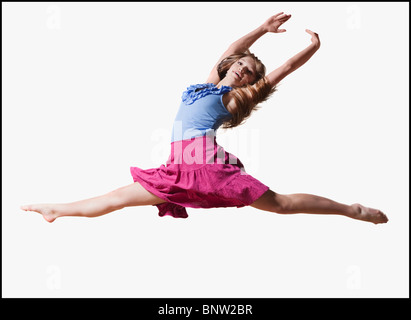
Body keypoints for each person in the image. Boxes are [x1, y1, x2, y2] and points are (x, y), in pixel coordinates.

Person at [21, 12, 388, 224]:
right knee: (117, 197)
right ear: (231, 65)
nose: (243, 71)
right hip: (177, 166)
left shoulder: (232, 99)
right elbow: (232, 49)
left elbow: (284, 69)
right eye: (242, 65)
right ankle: (56, 210)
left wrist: (312, 47)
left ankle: (351, 210)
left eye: (250, 72)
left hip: (204, 164)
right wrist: (262, 28)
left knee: (280, 205)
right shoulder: (206, 85)